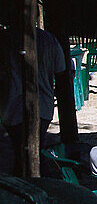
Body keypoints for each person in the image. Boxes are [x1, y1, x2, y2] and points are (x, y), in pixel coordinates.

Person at [2, 27, 66, 175]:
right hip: (43, 104)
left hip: (12, 106)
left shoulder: (7, 38)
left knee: (24, 155)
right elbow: (61, 70)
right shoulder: (49, 39)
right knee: (33, 152)